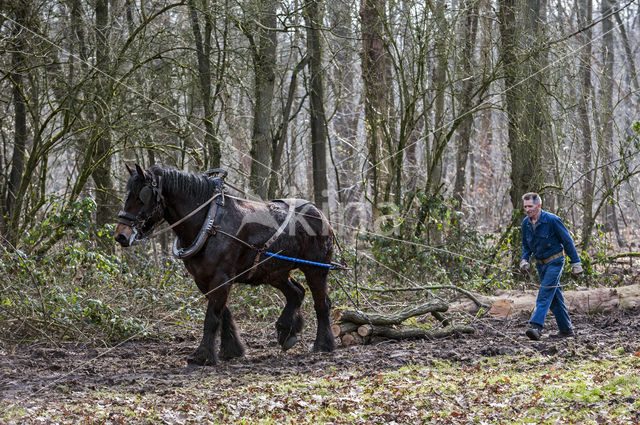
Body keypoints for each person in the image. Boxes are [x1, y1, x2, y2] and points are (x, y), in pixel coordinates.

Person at [519, 192, 583, 340]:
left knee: (545, 293)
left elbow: (567, 242)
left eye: (530, 206)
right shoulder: (525, 223)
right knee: (554, 298)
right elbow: (526, 246)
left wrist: (576, 262)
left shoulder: (553, 220)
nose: (527, 209)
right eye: (525, 207)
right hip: (540, 264)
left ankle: (536, 326)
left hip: (555, 261)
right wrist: (524, 260)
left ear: (539, 205)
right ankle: (566, 330)